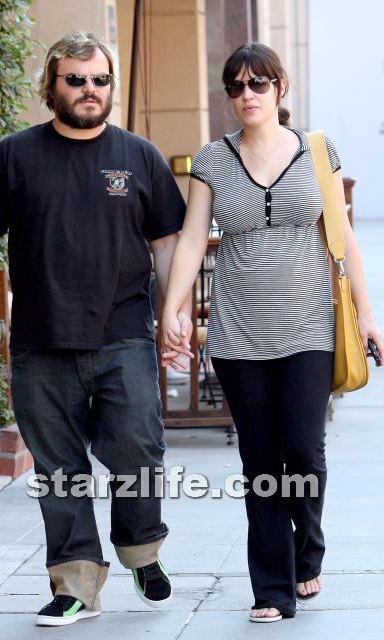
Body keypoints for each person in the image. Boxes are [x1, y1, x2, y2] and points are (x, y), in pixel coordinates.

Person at [0, 31, 192, 627]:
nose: (89, 89)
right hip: (41, 339)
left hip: (124, 333)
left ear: (111, 86)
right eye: (76, 79)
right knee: (59, 468)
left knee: (137, 450)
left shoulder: (140, 156)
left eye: (100, 80)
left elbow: (167, 244)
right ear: (51, 86)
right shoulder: (15, 155)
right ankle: (75, 583)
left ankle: (141, 551)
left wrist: (174, 314)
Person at [161, 43, 383, 622]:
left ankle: (308, 551)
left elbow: (344, 237)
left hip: (309, 326)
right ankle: (272, 588)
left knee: (303, 451)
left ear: (280, 87)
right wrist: (173, 308)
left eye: (258, 83)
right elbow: (192, 238)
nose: (247, 95)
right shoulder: (212, 158)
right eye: (236, 86)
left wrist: (366, 314)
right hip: (238, 333)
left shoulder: (316, 149)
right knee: (259, 461)